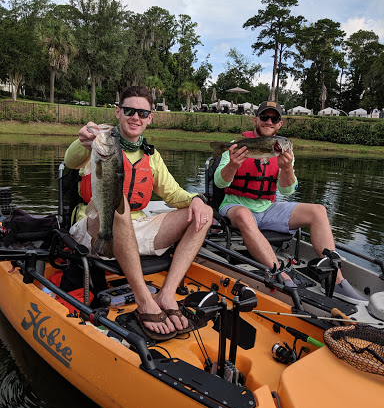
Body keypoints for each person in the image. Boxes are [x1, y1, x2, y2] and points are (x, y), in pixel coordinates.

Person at [64, 86, 213, 340]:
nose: (136, 117)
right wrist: (83, 142)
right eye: (130, 111)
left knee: (204, 213)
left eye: (142, 113)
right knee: (116, 201)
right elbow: (70, 160)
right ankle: (144, 299)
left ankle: (166, 294)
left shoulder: (151, 157)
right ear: (118, 112)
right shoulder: (98, 145)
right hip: (93, 227)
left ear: (150, 118)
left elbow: (175, 194)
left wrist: (196, 199)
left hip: (135, 228)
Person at [214, 100, 368, 306]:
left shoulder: (283, 149)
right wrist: (233, 165)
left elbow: (287, 190)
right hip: (235, 205)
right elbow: (219, 181)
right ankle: (279, 272)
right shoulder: (236, 146)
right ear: (255, 120)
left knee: (318, 210)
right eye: (264, 117)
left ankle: (335, 278)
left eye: (274, 118)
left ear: (280, 124)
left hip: (267, 207)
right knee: (244, 215)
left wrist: (286, 169)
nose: (269, 121)